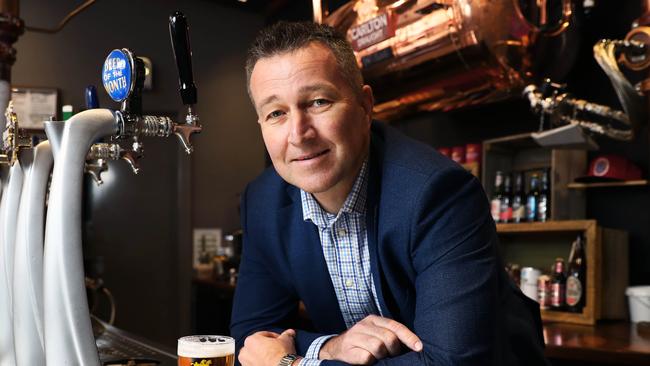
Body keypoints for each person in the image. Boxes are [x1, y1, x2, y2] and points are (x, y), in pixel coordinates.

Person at [231, 21, 548, 366]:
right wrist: (332, 347)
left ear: (365, 107)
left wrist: (293, 362)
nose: (298, 133)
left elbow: (451, 362)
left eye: (318, 102)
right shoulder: (262, 202)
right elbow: (252, 340)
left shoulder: (439, 193)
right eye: (276, 113)